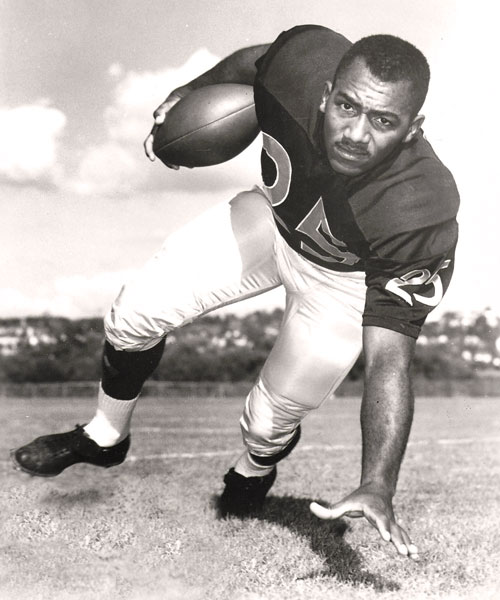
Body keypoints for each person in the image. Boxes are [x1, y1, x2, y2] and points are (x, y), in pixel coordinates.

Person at [11, 24, 459, 561]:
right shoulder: (302, 61)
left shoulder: (420, 206)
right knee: (135, 313)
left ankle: (253, 472)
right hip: (272, 222)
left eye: (383, 121)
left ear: (413, 129)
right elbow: (253, 61)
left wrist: (378, 482)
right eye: (346, 107)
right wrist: (188, 93)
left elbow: (389, 359)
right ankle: (105, 436)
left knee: (267, 422)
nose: (356, 134)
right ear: (324, 92)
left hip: (343, 285)